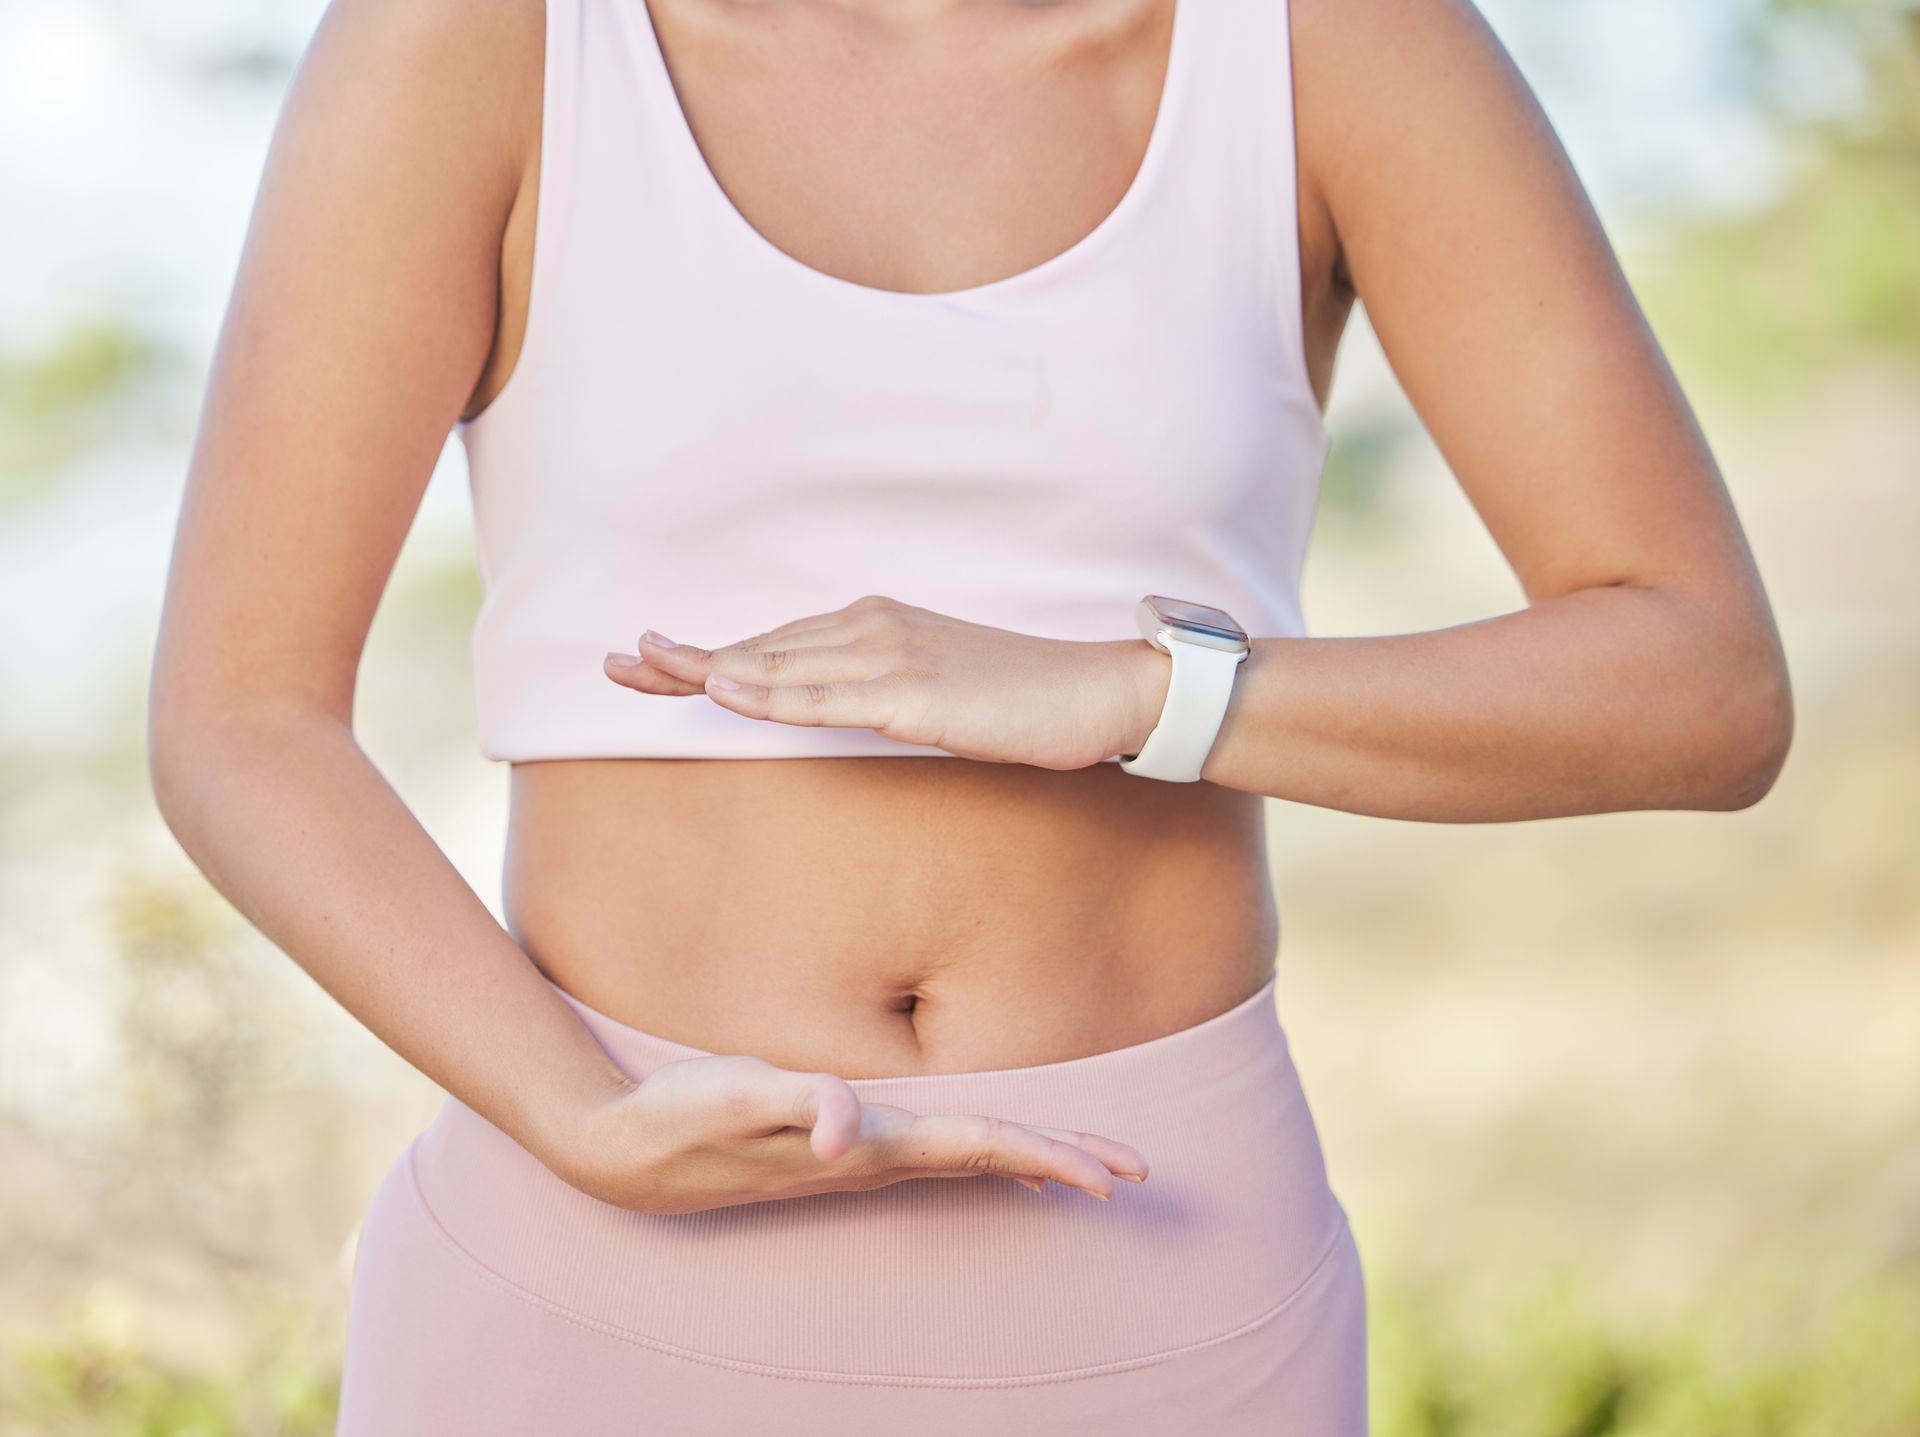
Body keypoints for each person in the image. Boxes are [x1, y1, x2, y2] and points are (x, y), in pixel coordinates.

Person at [146, 0, 1793, 1428]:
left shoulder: (1326, 42)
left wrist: (1139, 694)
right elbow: (245, 714)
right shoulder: (488, 40)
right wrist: (580, 1116)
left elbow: (1699, 682)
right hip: (591, 1261)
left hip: (1158, 1270)